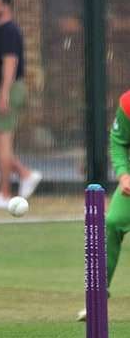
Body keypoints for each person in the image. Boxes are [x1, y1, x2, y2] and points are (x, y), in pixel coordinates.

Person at [0, 0, 42, 210]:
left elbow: (10, 63)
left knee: (4, 142)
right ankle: (25, 174)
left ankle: (4, 193)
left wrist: (4, 94)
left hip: (5, 92)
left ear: (6, 6)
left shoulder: (9, 30)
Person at [77, 89, 130, 321]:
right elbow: (118, 142)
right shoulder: (128, 103)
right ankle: (97, 300)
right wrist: (123, 174)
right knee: (112, 223)